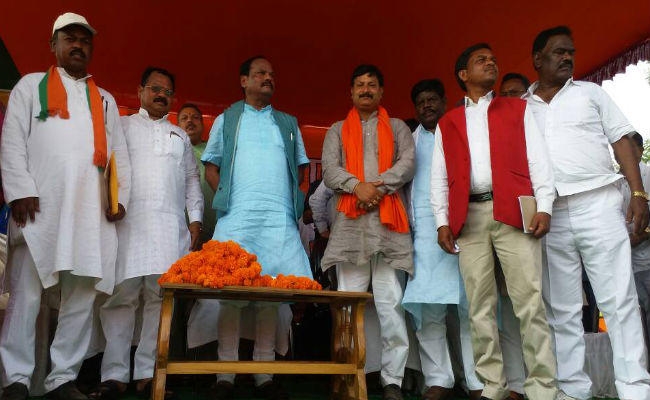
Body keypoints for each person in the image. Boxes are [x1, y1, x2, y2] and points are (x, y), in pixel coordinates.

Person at [0, 12, 131, 400]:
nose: (78, 45)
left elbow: (118, 156)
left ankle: (62, 379)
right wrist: (19, 190)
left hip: (90, 215)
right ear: (53, 45)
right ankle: (15, 379)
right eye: (70, 38)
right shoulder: (30, 86)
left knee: (80, 298)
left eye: (85, 40)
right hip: (39, 209)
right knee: (27, 295)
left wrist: (119, 199)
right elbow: (12, 141)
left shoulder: (105, 100)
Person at [525, 26, 650, 400]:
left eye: (571, 52)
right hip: (550, 213)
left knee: (619, 300)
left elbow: (622, 140)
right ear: (537, 59)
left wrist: (638, 193)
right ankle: (572, 389)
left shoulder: (591, 93)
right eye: (558, 52)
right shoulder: (521, 108)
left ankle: (635, 388)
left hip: (599, 203)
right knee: (561, 308)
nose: (567, 57)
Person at [430, 43, 559, 400]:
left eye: (492, 59)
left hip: (515, 210)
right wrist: (442, 221)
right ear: (463, 74)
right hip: (468, 218)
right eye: (480, 60)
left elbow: (538, 160)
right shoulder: (448, 122)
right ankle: (492, 385)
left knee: (529, 303)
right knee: (479, 306)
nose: (491, 63)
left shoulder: (518, 108)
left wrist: (545, 206)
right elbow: (439, 177)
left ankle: (542, 388)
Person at [200, 56, 312, 400]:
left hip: (278, 219)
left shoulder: (288, 123)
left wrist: (292, 204)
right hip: (239, 218)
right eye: (261, 73)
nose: (268, 78)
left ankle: (265, 374)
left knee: (270, 297)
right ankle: (225, 375)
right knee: (231, 295)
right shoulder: (227, 118)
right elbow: (211, 166)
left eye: (272, 74)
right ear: (243, 80)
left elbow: (302, 170)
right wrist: (228, 200)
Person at [91, 67, 203, 400]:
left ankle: (147, 374)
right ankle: (114, 375)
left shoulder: (179, 136)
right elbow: (107, 169)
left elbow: (192, 181)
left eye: (167, 92)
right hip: (127, 224)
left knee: (158, 299)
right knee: (121, 298)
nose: (160, 95)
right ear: (140, 91)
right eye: (155, 88)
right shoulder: (123, 127)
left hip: (168, 228)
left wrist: (195, 219)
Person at [321, 64, 415, 400]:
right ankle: (347, 374)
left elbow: (407, 164)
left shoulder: (398, 127)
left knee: (391, 304)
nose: (365, 89)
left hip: (389, 226)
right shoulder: (336, 130)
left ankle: (392, 380)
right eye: (359, 84)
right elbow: (330, 170)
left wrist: (376, 187)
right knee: (348, 305)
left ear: (381, 91)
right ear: (351, 92)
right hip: (351, 226)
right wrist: (355, 186)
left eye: (371, 84)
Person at [400, 79, 483, 400]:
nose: (427, 105)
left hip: (466, 228)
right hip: (424, 236)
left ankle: (477, 381)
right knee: (429, 310)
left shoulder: (461, 132)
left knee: (471, 309)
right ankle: (439, 380)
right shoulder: (408, 143)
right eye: (421, 101)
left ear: (445, 101)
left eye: (432, 99)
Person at [495, 72, 533, 400]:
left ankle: (550, 382)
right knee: (508, 310)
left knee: (542, 309)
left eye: (516, 93)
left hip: (541, 226)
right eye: (504, 94)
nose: (510, 100)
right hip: (505, 228)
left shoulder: (538, 125)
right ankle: (517, 384)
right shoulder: (494, 133)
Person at [619, 133, 650, 358]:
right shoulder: (614, 181)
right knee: (634, 317)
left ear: (640, 151)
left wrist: (640, 236)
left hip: (647, 260)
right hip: (625, 264)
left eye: (629, 150)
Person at [178, 103, 217, 243]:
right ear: (177, 126)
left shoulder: (214, 151)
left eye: (195, 117)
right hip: (183, 228)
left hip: (214, 228)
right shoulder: (173, 152)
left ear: (202, 124)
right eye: (184, 118)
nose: (190, 120)